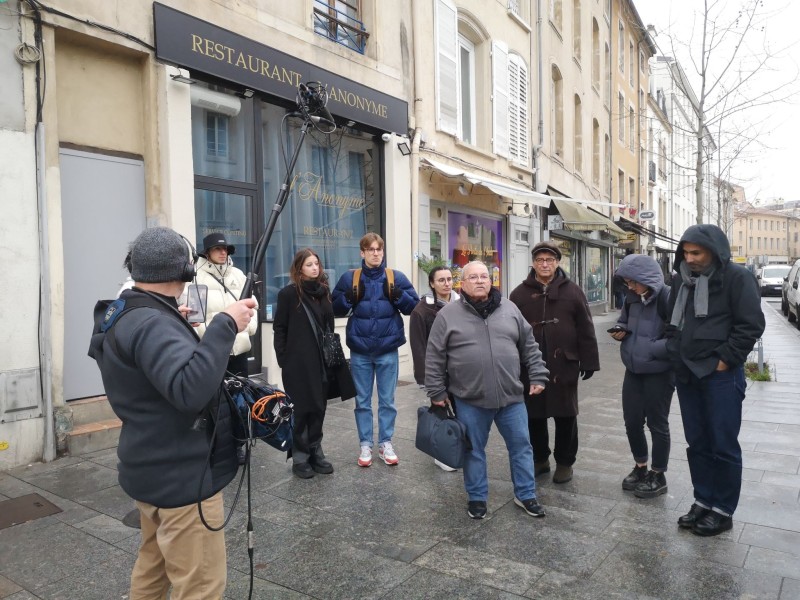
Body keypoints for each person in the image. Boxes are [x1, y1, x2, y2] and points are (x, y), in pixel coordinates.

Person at [88, 226, 256, 599]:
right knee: (200, 586)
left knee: (153, 569)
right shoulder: (151, 323)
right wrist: (225, 325)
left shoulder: (129, 310)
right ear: (184, 271)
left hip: (148, 469)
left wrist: (171, 320)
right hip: (181, 479)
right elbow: (190, 391)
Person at [425, 261, 550, 519]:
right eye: (473, 277)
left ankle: (526, 494)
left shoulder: (510, 309)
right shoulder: (447, 315)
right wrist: (436, 391)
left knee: (522, 447)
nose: (480, 281)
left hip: (511, 398)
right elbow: (434, 356)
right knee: (474, 451)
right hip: (470, 399)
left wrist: (537, 374)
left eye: (484, 276)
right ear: (463, 282)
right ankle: (477, 498)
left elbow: (530, 346)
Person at [666, 224, 764, 536]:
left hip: (720, 376)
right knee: (698, 443)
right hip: (687, 373)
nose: (690, 258)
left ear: (714, 251)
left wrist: (725, 360)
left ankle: (722, 509)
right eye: (686, 252)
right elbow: (673, 321)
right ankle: (703, 500)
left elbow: (750, 325)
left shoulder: (738, 278)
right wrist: (674, 350)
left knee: (723, 444)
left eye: (696, 252)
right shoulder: (682, 280)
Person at [509, 241, 599, 484]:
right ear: (533, 263)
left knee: (566, 415)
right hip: (530, 366)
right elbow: (509, 331)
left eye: (549, 260)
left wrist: (589, 361)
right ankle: (540, 459)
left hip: (565, 364)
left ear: (558, 262)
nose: (545, 264)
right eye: (540, 260)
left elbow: (586, 327)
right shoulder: (519, 294)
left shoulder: (573, 291)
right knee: (533, 415)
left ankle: (565, 462)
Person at [332, 233, 419, 467]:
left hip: (387, 349)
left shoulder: (395, 277)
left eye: (379, 249)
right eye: (370, 250)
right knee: (362, 401)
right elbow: (334, 308)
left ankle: (386, 443)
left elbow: (414, 307)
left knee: (387, 401)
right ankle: (365, 444)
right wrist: (349, 297)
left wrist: (398, 296)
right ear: (362, 253)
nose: (375, 253)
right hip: (360, 350)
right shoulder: (350, 278)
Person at [273, 248, 356, 479]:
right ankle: (300, 456)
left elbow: (328, 327)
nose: (315, 268)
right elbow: (280, 329)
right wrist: (284, 359)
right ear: (299, 268)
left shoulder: (324, 292)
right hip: (298, 363)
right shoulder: (288, 294)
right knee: (301, 410)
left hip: (322, 362)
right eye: (309, 264)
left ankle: (315, 451)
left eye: (316, 264)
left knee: (319, 407)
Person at [610, 254, 674, 498]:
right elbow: (624, 321)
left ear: (647, 278)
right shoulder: (631, 298)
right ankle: (640, 467)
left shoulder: (668, 297)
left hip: (659, 372)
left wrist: (651, 349)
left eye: (634, 281)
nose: (631, 287)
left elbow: (677, 337)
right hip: (633, 370)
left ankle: (658, 474)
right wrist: (621, 331)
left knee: (658, 424)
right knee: (632, 422)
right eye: (627, 282)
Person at [409, 265, 460, 471]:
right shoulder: (421, 310)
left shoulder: (463, 304)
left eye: (449, 279)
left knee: (462, 412)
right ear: (432, 283)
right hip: (438, 372)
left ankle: (459, 447)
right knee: (442, 412)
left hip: (462, 369)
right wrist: (425, 380)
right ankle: (442, 453)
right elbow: (419, 347)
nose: (447, 284)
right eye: (441, 280)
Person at [193, 233, 259, 377]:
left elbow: (252, 304)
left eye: (225, 249)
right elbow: (194, 316)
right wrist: (208, 336)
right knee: (217, 397)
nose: (223, 252)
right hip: (212, 352)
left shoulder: (238, 275)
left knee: (241, 396)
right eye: (217, 248)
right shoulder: (197, 277)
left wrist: (248, 328)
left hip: (239, 351)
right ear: (207, 252)